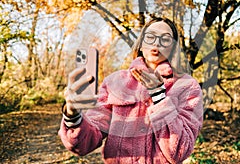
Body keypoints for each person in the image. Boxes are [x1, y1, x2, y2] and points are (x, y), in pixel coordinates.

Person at [58, 17, 203, 164]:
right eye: (150, 37)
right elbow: (83, 145)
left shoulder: (187, 86)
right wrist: (72, 115)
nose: (157, 42)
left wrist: (159, 97)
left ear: (173, 48)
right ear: (140, 44)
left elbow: (179, 151)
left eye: (165, 39)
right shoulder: (114, 82)